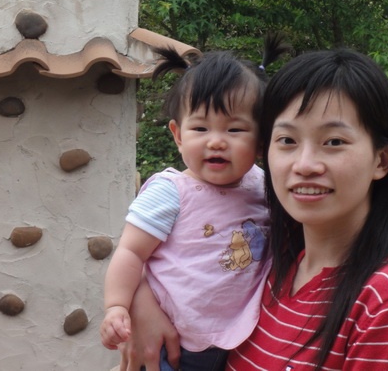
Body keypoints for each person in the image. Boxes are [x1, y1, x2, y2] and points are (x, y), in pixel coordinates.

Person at [118, 48, 388, 371]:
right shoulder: (269, 262)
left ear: (381, 160)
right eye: (288, 140)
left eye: (334, 142)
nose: (304, 165)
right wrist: (140, 301)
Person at [100, 34, 292, 371]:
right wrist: (117, 305)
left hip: (241, 343)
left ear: (261, 141)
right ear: (178, 135)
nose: (216, 142)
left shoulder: (265, 186)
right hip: (172, 343)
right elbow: (131, 252)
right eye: (201, 128)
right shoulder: (170, 191)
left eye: (234, 130)